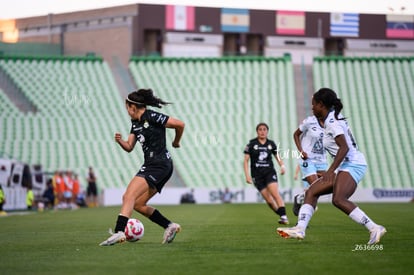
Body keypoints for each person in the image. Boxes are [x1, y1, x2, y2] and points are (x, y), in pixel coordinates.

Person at [277, 88, 386, 245]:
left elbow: (344, 148)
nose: (312, 107)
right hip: (345, 165)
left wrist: (330, 170)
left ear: (321, 105)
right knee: (311, 192)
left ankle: (374, 227)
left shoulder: (332, 122)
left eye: (314, 104)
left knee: (339, 199)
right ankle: (300, 229)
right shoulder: (333, 118)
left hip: (353, 164)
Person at [99, 89, 185, 246]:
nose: (127, 111)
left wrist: (176, 142)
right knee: (137, 204)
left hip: (158, 164)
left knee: (128, 196)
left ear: (133, 107)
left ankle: (119, 232)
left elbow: (180, 124)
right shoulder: (135, 123)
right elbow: (130, 146)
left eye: (127, 108)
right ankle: (169, 225)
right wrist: (120, 141)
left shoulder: (151, 116)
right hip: (156, 166)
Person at [243, 122, 289, 225]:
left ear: (267, 131)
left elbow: (277, 157)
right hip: (257, 175)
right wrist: (247, 176)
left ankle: (284, 216)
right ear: (257, 131)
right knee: (269, 201)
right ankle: (280, 213)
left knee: (274, 193)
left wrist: (282, 166)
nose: (262, 131)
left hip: (269, 172)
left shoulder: (271, 144)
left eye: (264, 129)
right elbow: (246, 160)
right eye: (260, 129)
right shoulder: (251, 144)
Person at [292, 115, 328, 216]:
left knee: (319, 190)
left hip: (322, 161)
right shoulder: (310, 121)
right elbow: (296, 134)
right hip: (307, 159)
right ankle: (301, 224)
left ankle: (300, 198)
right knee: (316, 188)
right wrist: (301, 151)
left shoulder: (332, 123)